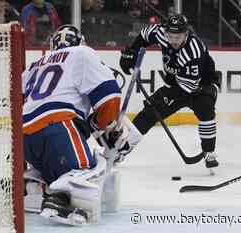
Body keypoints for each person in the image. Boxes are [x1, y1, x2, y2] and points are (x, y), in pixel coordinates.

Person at [22, 24, 140, 225]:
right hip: (56, 126)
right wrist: (109, 127)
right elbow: (109, 97)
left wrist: (91, 126)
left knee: (55, 166)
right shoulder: (82, 53)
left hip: (22, 138)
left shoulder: (34, 65)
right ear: (80, 41)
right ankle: (60, 200)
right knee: (90, 170)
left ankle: (33, 187)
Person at [119, 14, 220, 169]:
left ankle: (209, 151)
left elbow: (189, 87)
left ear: (186, 34)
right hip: (178, 83)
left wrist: (163, 97)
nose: (173, 41)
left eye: (177, 37)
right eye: (170, 36)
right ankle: (121, 149)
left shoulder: (193, 51)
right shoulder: (162, 33)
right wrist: (132, 52)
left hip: (202, 85)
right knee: (150, 112)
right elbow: (145, 35)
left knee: (205, 108)